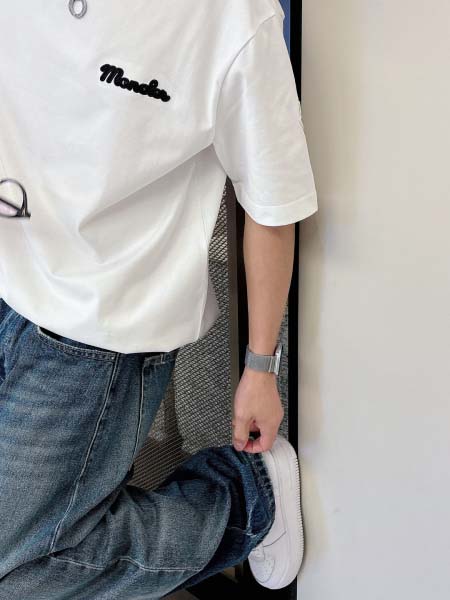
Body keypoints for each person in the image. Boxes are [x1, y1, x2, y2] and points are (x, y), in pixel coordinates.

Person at [0, 0, 318, 597]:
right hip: (10, 276)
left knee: (16, 570)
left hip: (95, 329)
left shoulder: (233, 17)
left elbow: (274, 202)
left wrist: (261, 367)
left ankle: (247, 496)